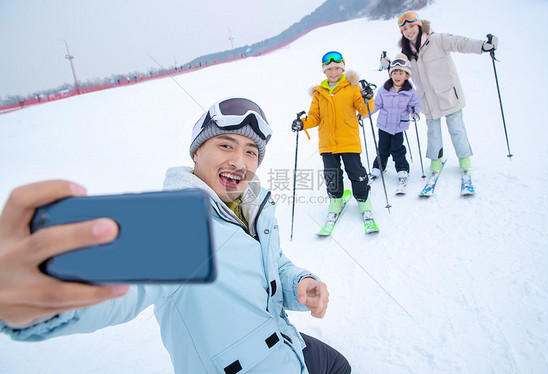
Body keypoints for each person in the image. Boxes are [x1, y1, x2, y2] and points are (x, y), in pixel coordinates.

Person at [0, 98, 351, 374]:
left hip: (286, 347)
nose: (240, 162)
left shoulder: (252, 206)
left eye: (250, 152)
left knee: (338, 365)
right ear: (196, 151)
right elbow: (123, 290)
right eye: (226, 146)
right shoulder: (175, 224)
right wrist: (43, 300)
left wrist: (299, 283)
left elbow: (272, 261)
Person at [383, 10, 498, 189]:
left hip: (448, 95)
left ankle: (464, 159)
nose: (409, 30)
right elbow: (399, 67)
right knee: (433, 132)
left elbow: (461, 43)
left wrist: (483, 46)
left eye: (412, 26)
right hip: (428, 100)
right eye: (405, 29)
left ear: (420, 25)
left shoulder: (437, 40)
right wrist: (387, 64)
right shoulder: (406, 52)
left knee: (457, 129)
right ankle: (436, 161)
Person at [292, 51, 375, 223]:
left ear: (342, 69)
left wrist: (368, 97)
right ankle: (335, 200)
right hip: (327, 144)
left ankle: (363, 201)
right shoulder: (319, 93)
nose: (333, 72)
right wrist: (302, 123)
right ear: (324, 71)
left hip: (349, 141)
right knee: (332, 175)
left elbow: (365, 110)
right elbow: (314, 116)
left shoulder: (352, 88)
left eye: (337, 68)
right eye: (329, 69)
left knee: (357, 172)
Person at [368, 53, 420, 193]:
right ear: (391, 74)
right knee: (383, 148)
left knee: (397, 149)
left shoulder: (410, 92)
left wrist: (414, 112)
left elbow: (415, 105)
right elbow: (376, 105)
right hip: (384, 125)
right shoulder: (384, 89)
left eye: (401, 73)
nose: (397, 76)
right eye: (395, 72)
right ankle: (378, 167)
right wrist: (365, 114)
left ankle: (402, 169)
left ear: (407, 76)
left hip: (398, 126)